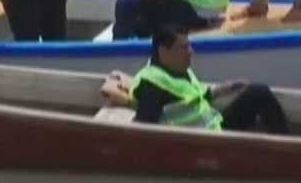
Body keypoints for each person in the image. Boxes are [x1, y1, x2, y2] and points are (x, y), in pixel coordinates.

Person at [100, 26, 290, 133]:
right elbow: (144, 130)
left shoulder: (180, 71)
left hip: (215, 126)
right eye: (184, 47)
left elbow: (197, 96)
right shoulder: (153, 85)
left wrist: (224, 88)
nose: (191, 52)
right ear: (164, 51)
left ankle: (285, 141)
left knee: (258, 92)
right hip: (203, 143)